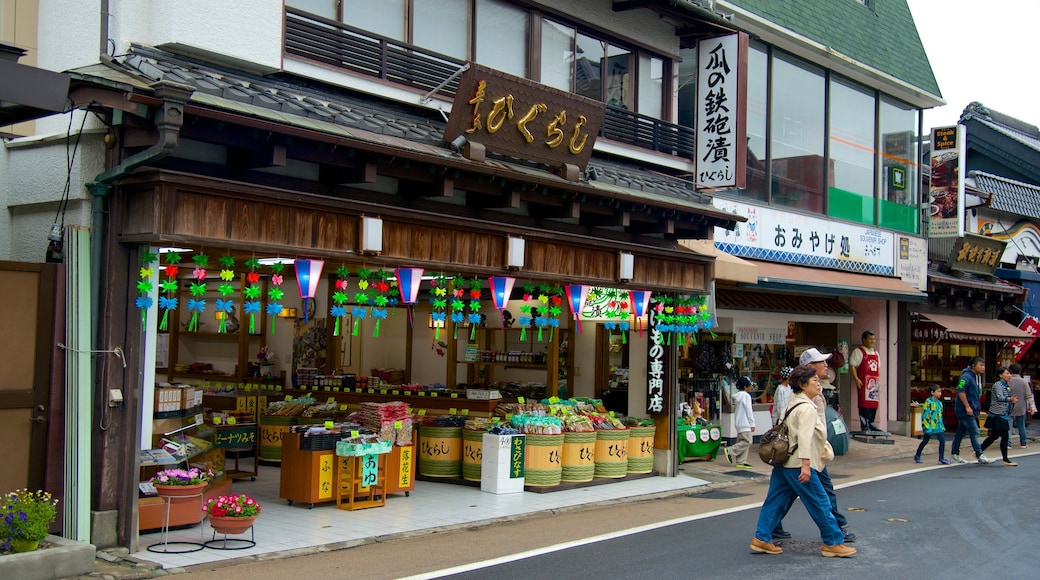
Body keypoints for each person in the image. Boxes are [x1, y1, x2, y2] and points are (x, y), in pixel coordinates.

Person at [749, 365, 857, 558]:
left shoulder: (793, 403)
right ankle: (833, 541)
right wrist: (806, 465)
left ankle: (762, 537)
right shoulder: (807, 408)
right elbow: (805, 438)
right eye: (814, 380)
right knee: (820, 502)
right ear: (802, 384)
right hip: (799, 463)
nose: (818, 383)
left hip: (784, 461)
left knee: (775, 500)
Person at [772, 348, 856, 544]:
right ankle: (836, 532)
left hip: (806, 452)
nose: (826, 365)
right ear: (809, 367)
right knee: (822, 493)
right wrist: (806, 461)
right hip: (804, 452)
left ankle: (769, 528)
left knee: (786, 492)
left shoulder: (813, 389)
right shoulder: (802, 393)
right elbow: (799, 427)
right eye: (821, 362)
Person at [951, 356, 995, 464]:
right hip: (965, 410)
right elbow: (960, 390)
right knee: (975, 431)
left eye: (984, 365)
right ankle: (979, 454)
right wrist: (967, 406)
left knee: (961, 432)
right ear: (973, 366)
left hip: (972, 409)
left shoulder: (976, 377)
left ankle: (954, 454)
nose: (983, 367)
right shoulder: (966, 376)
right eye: (981, 365)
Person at [979, 366, 1018, 466]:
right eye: (1007, 373)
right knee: (1004, 436)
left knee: (994, 436)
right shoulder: (997, 385)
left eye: (1009, 373)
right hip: (998, 414)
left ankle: (978, 451)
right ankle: (1005, 459)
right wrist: (1010, 399)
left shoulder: (1006, 385)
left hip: (1003, 413)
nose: (1009, 375)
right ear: (1000, 375)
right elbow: (1000, 397)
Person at [849, 331, 881, 432]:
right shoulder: (858, 351)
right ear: (864, 340)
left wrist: (878, 380)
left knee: (874, 403)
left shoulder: (876, 353)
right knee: (864, 403)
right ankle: (864, 424)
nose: (873, 341)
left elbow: (878, 368)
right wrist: (856, 379)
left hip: (874, 382)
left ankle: (871, 422)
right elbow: (852, 366)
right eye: (870, 339)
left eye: (873, 339)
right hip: (864, 382)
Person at [724, 377, 756, 469]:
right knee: (748, 441)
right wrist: (752, 423)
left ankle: (741, 461)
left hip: (739, 422)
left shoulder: (737, 396)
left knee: (741, 441)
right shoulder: (746, 396)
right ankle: (730, 450)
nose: (750, 388)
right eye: (750, 386)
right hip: (745, 423)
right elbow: (749, 410)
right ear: (745, 387)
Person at [914, 384, 949, 465]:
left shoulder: (940, 403)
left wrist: (941, 425)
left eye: (940, 391)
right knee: (925, 441)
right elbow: (925, 415)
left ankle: (941, 458)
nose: (940, 393)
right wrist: (926, 426)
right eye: (938, 391)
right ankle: (917, 455)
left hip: (939, 425)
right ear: (932, 392)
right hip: (930, 425)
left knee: (942, 441)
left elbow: (940, 415)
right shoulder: (928, 402)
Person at [1007, 363, 1035, 448]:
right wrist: (1032, 406)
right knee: (1021, 425)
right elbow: (1029, 395)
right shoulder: (1024, 382)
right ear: (1020, 371)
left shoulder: (1007, 380)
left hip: (1009, 406)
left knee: (1009, 425)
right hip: (1021, 406)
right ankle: (1023, 443)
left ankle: (1008, 443)